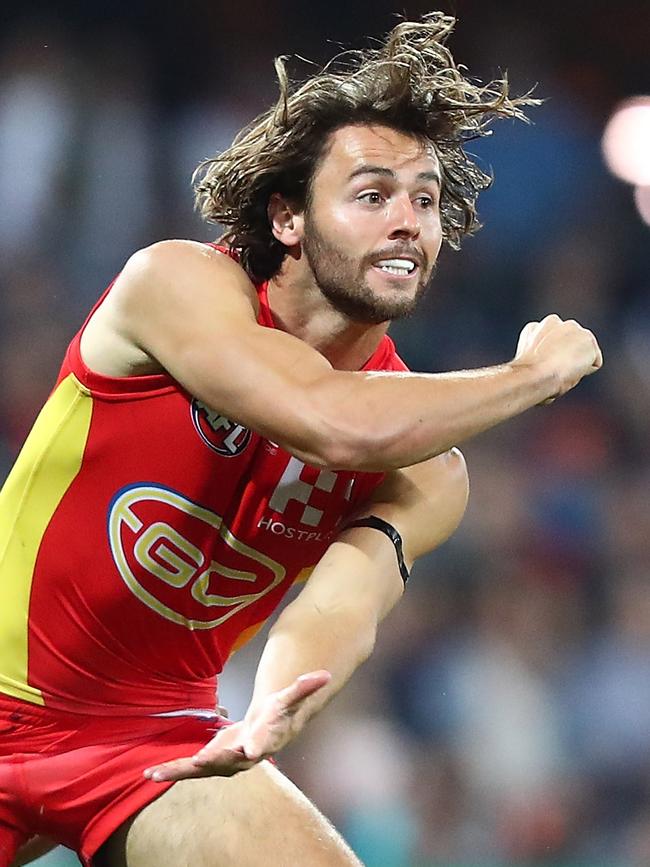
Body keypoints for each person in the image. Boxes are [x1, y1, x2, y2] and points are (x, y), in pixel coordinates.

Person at [0, 12, 602, 867]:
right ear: (287, 218)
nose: (408, 222)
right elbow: (329, 421)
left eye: (425, 201)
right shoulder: (175, 285)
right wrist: (532, 374)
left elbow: (339, 608)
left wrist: (279, 703)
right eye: (372, 195)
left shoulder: (429, 466)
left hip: (152, 742)